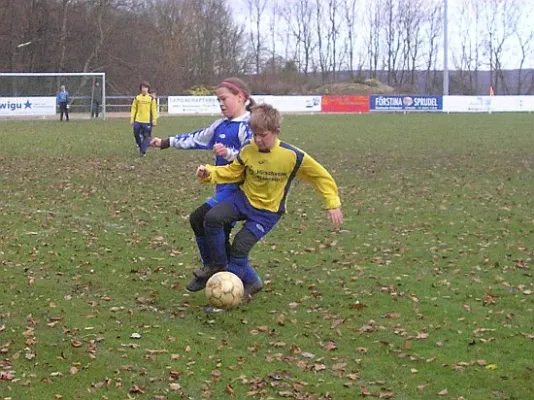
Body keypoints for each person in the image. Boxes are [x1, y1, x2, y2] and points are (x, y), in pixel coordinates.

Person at [195, 103, 343, 298]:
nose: (257, 139)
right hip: (243, 199)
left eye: (262, 135)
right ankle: (217, 264)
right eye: (254, 134)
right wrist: (209, 173)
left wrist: (332, 203)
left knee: (240, 244)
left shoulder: (293, 156)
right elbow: (232, 172)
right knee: (212, 218)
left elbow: (320, 176)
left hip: (267, 212)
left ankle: (230, 290)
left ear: (276, 132)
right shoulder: (248, 150)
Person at [150, 78, 255, 292]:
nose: (221, 104)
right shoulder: (220, 125)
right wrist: (166, 142)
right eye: (218, 100)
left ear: (240, 97)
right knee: (219, 236)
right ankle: (250, 281)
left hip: (239, 191)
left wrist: (230, 154)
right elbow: (196, 138)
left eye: (224, 99)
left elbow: (253, 157)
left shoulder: (249, 126)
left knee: (200, 218)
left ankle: (213, 268)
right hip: (223, 189)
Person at [130, 81, 157, 156]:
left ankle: (143, 151)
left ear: (148, 89)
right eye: (143, 88)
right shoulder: (137, 98)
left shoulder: (151, 99)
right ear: (140, 89)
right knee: (136, 134)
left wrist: (154, 119)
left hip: (147, 121)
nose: (144, 89)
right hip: (138, 120)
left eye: (146, 88)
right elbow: (134, 108)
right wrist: (132, 118)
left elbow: (154, 110)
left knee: (146, 136)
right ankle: (140, 145)